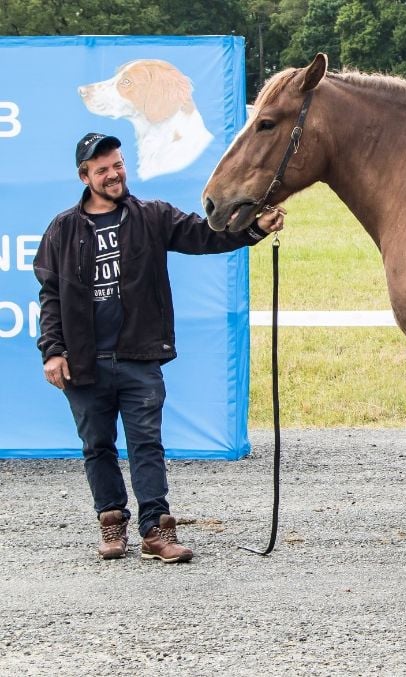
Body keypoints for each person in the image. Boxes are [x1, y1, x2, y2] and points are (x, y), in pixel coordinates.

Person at [33, 132, 285, 563]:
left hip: (139, 356)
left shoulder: (152, 216)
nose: (113, 175)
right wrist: (53, 351)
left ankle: (156, 529)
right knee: (97, 446)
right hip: (84, 362)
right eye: (102, 170)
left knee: (147, 444)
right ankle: (111, 522)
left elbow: (205, 237)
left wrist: (254, 230)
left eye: (117, 165)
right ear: (84, 176)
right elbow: (50, 293)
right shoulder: (63, 228)